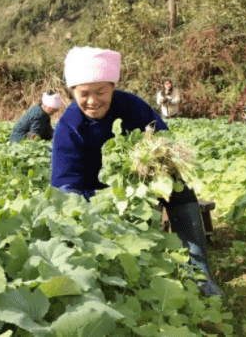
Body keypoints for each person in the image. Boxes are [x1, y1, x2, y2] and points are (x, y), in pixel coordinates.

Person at [51, 46, 223, 297]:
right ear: (72, 92)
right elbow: (66, 182)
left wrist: (154, 161)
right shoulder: (69, 126)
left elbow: (163, 137)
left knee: (180, 188)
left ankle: (198, 271)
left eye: (101, 91)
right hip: (96, 195)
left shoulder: (132, 106)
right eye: (84, 93)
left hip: (140, 181)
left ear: (112, 87)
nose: (92, 100)